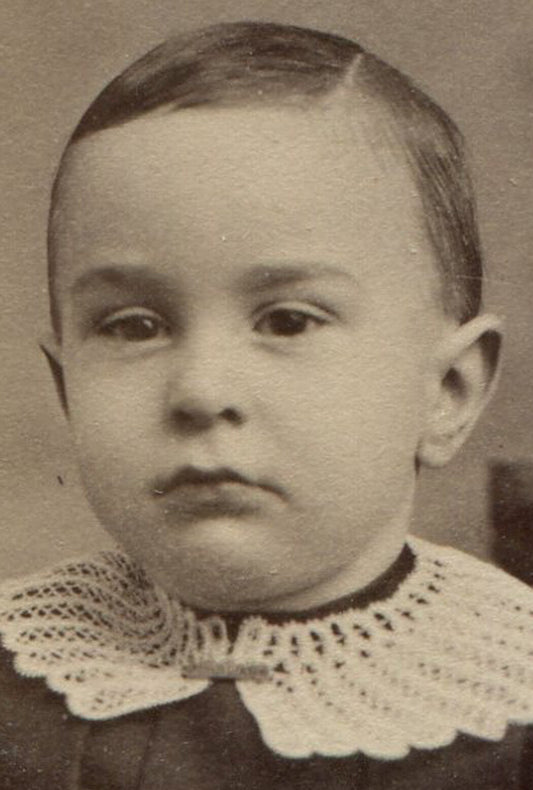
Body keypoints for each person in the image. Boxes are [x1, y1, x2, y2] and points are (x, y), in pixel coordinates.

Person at [0, 20, 532, 790]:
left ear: (444, 392)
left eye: (288, 320)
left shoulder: (502, 706)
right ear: (65, 389)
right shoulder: (24, 672)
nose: (202, 393)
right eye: (134, 326)